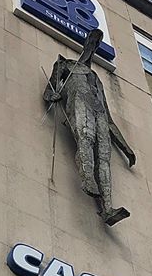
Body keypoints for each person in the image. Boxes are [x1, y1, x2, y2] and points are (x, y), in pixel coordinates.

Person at [43, 28, 135, 226]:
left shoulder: (96, 78)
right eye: (92, 41)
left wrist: (126, 148)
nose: (93, 46)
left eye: (97, 43)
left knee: (104, 157)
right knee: (86, 139)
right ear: (86, 43)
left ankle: (108, 209)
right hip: (79, 106)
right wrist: (53, 95)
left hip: (99, 113)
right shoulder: (66, 65)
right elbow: (49, 90)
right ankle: (87, 178)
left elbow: (109, 118)